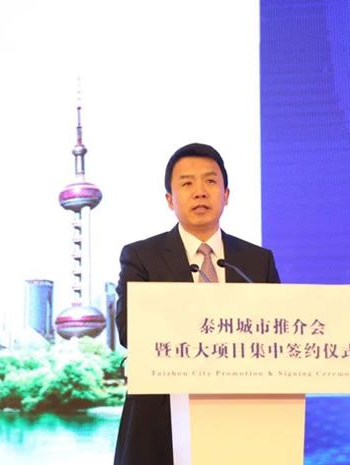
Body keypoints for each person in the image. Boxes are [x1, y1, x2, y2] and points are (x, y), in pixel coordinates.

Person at [113, 142, 280, 465]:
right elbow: (130, 330)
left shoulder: (257, 261)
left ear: (226, 195)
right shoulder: (141, 256)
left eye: (210, 181)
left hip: (243, 416)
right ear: (169, 199)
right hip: (159, 420)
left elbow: (276, 335)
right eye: (187, 183)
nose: (200, 192)